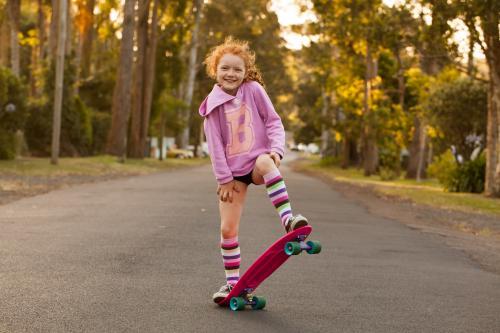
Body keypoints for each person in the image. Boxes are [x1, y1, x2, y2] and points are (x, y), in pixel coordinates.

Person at [198, 37, 309, 303]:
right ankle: (233, 285)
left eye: (237, 69)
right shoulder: (211, 107)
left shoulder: (254, 91)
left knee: (265, 162)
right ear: (215, 70)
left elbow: (273, 122)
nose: (231, 74)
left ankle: (288, 220)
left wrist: (276, 150)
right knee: (227, 229)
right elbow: (214, 147)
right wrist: (224, 180)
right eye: (225, 68)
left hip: (258, 161)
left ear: (246, 72)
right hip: (233, 175)